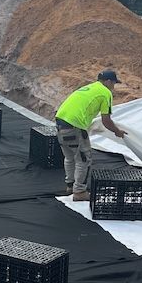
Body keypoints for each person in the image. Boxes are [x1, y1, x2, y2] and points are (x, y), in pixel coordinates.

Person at [55, 69, 127, 201]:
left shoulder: (89, 87)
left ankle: (70, 186)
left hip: (60, 122)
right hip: (74, 126)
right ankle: (80, 192)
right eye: (114, 83)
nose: (114, 86)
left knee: (70, 156)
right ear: (108, 81)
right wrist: (117, 131)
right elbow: (106, 120)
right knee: (84, 159)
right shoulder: (105, 93)